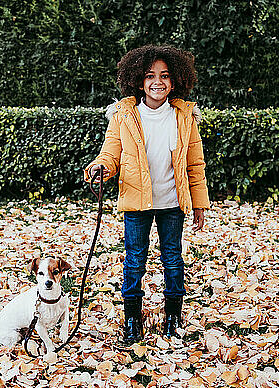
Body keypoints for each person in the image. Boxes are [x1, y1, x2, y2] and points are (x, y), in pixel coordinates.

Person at [84, 44, 209, 344]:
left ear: (175, 80)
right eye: (150, 76)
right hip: (136, 204)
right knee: (134, 261)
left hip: (172, 204)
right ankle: (132, 320)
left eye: (165, 76)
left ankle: (173, 318)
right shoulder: (124, 116)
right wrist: (100, 168)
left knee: (173, 260)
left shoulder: (184, 117)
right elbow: (111, 153)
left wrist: (199, 204)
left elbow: (195, 162)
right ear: (139, 81)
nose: (158, 82)